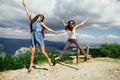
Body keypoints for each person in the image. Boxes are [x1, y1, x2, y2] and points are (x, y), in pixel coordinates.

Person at [22, 0, 58, 72]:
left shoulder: (41, 23)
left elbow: (47, 28)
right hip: (33, 37)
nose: (41, 18)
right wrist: (25, 6)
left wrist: (54, 32)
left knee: (43, 52)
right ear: (38, 16)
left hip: (39, 37)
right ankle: (31, 65)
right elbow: (28, 13)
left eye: (42, 18)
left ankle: (49, 60)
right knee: (32, 52)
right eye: (40, 17)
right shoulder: (32, 21)